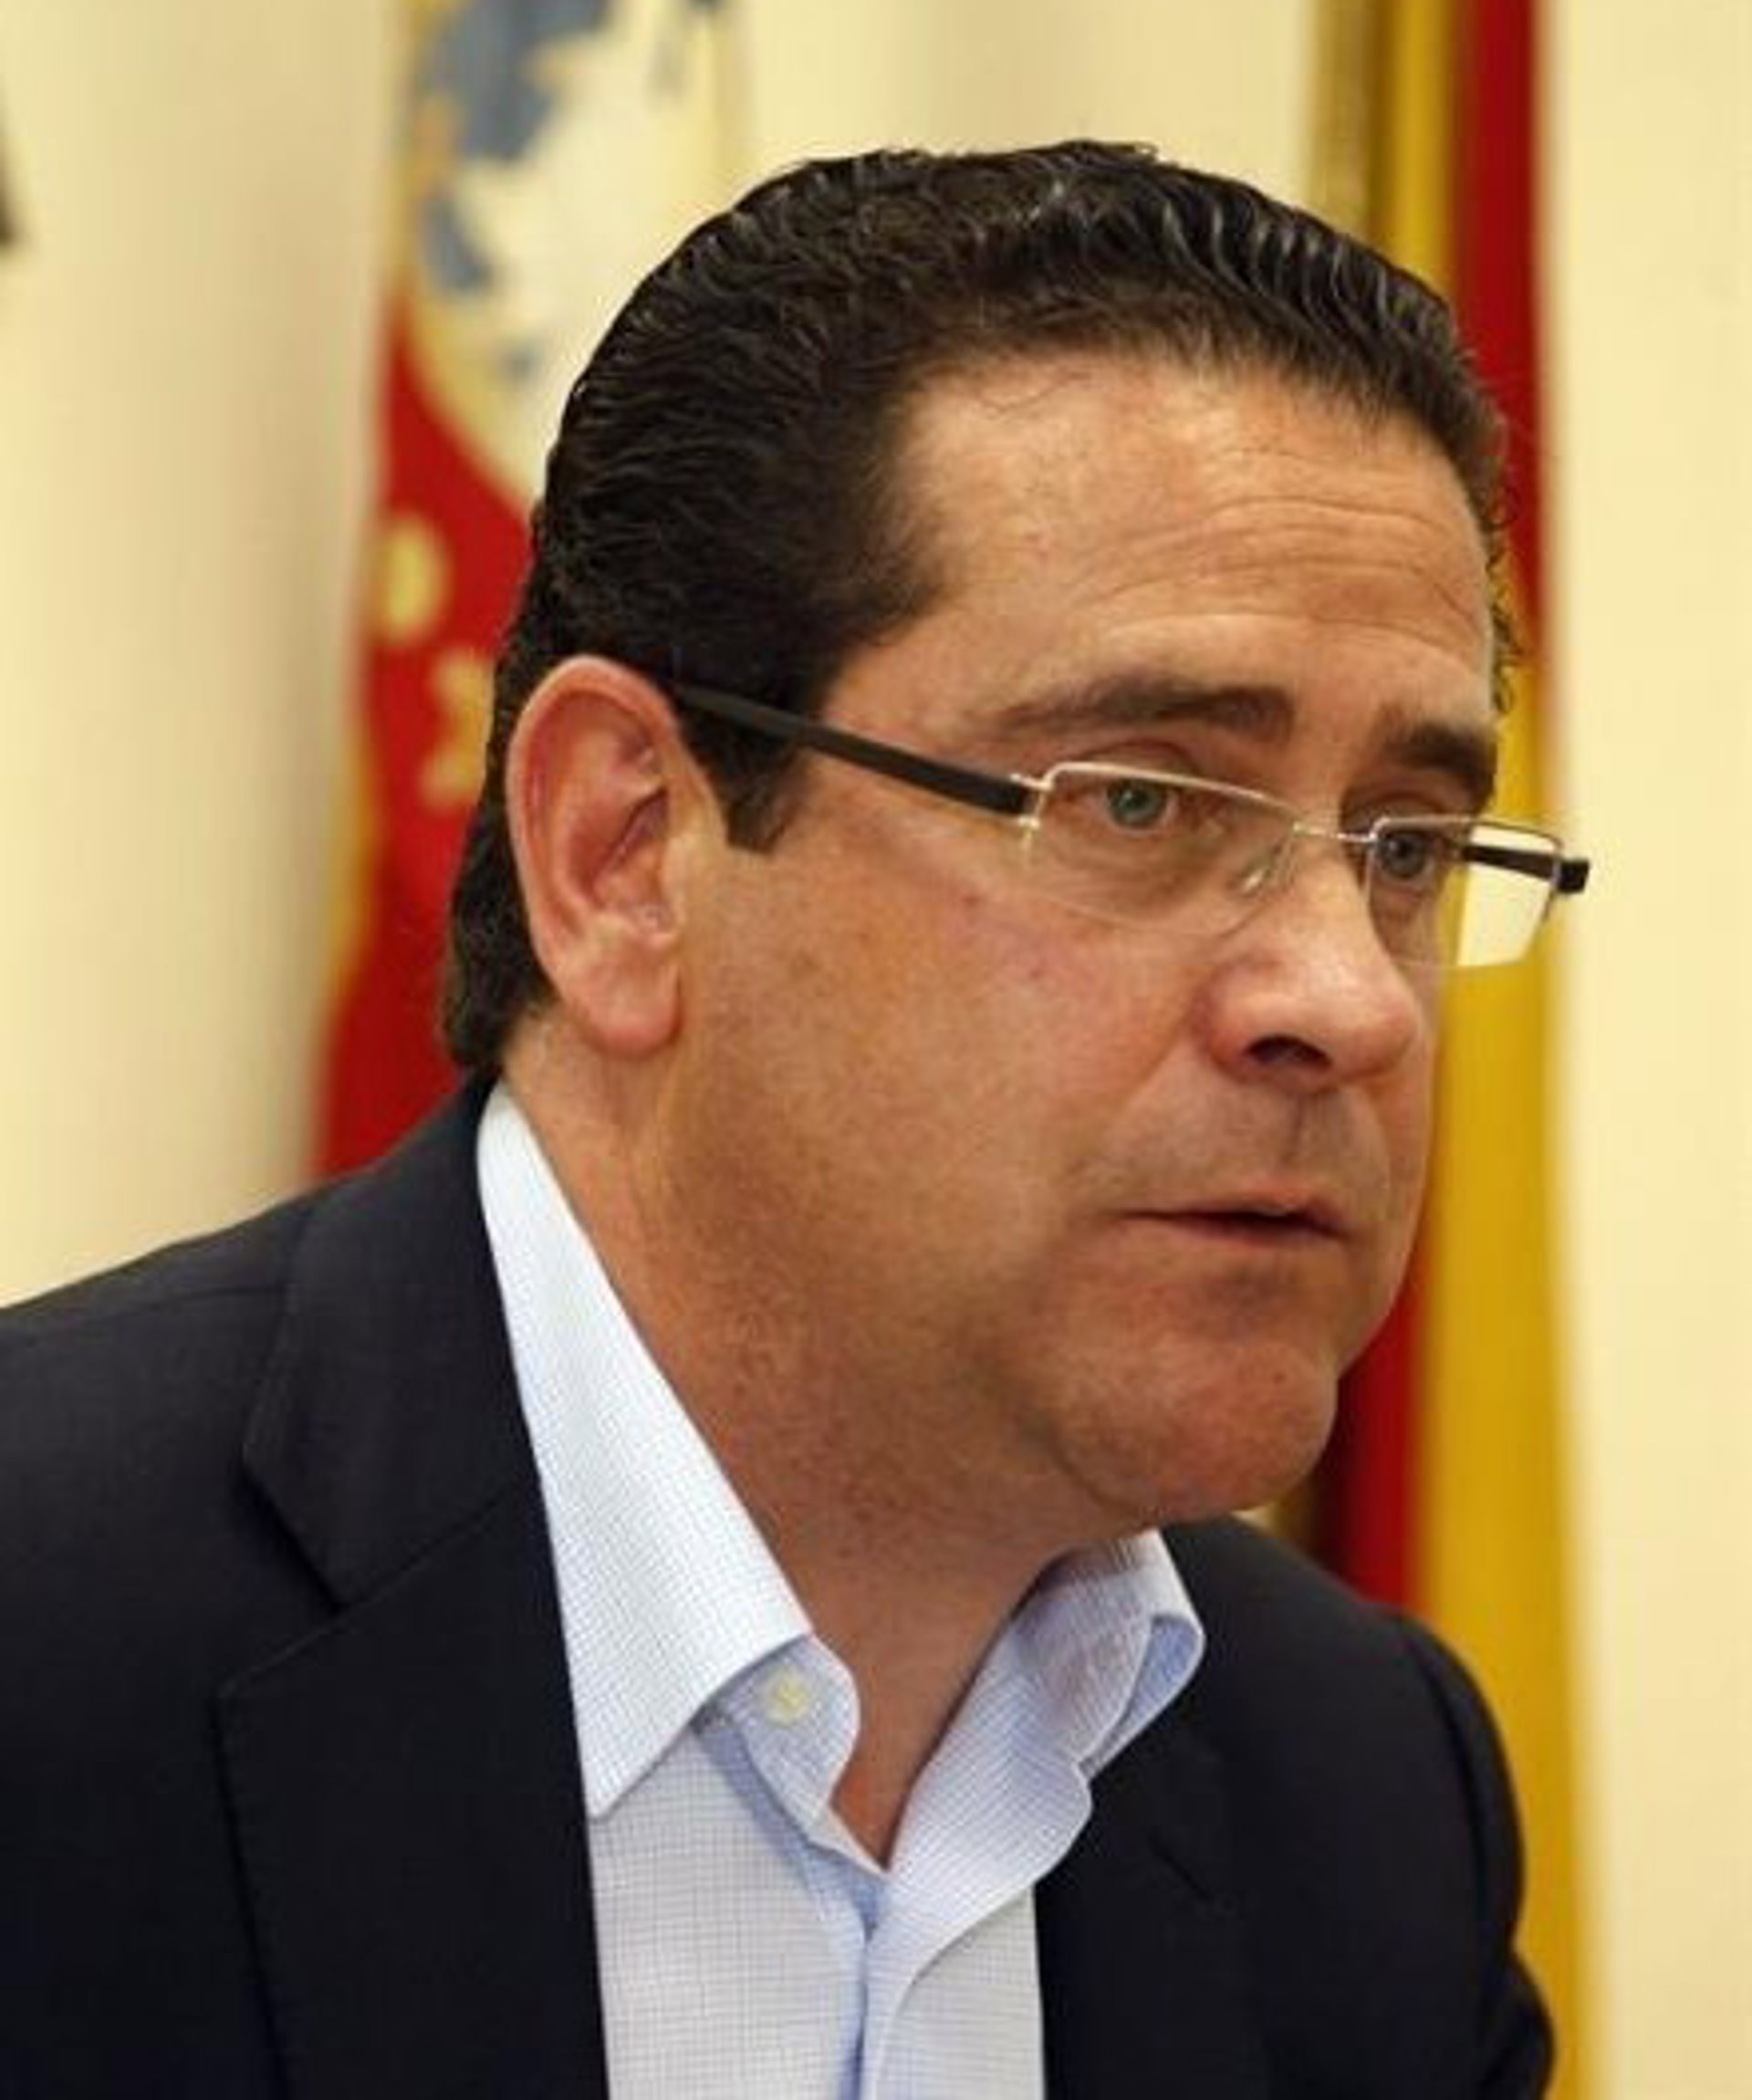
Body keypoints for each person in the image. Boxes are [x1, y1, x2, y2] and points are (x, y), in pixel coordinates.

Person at [1, 144, 1584, 2097]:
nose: (1348, 998)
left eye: (1409, 844)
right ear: (624, 854)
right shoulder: (43, 1632)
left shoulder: (1361, 1791)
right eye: (1141, 800)